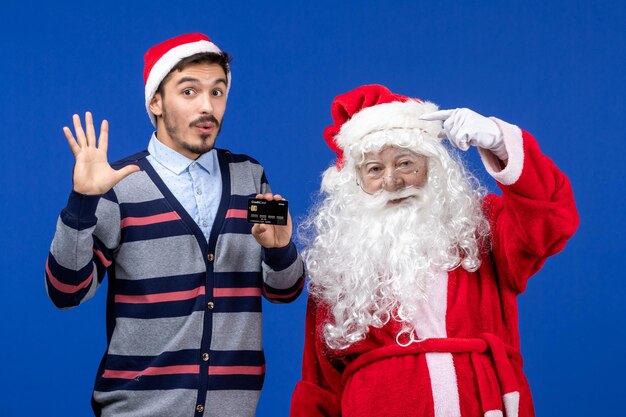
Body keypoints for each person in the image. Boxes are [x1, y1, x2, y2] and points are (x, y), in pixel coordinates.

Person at [45, 32, 305, 417]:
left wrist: (280, 249)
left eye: (217, 92)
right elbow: (66, 291)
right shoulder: (119, 183)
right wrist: (82, 200)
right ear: (155, 102)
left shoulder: (250, 177)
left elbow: (285, 291)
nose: (207, 107)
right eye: (189, 92)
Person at [290, 84, 578, 417]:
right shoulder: (339, 259)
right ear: (355, 182)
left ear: (431, 166)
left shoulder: (480, 225)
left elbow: (551, 218)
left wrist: (499, 140)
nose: (391, 182)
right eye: (374, 169)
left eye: (405, 163)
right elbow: (319, 387)